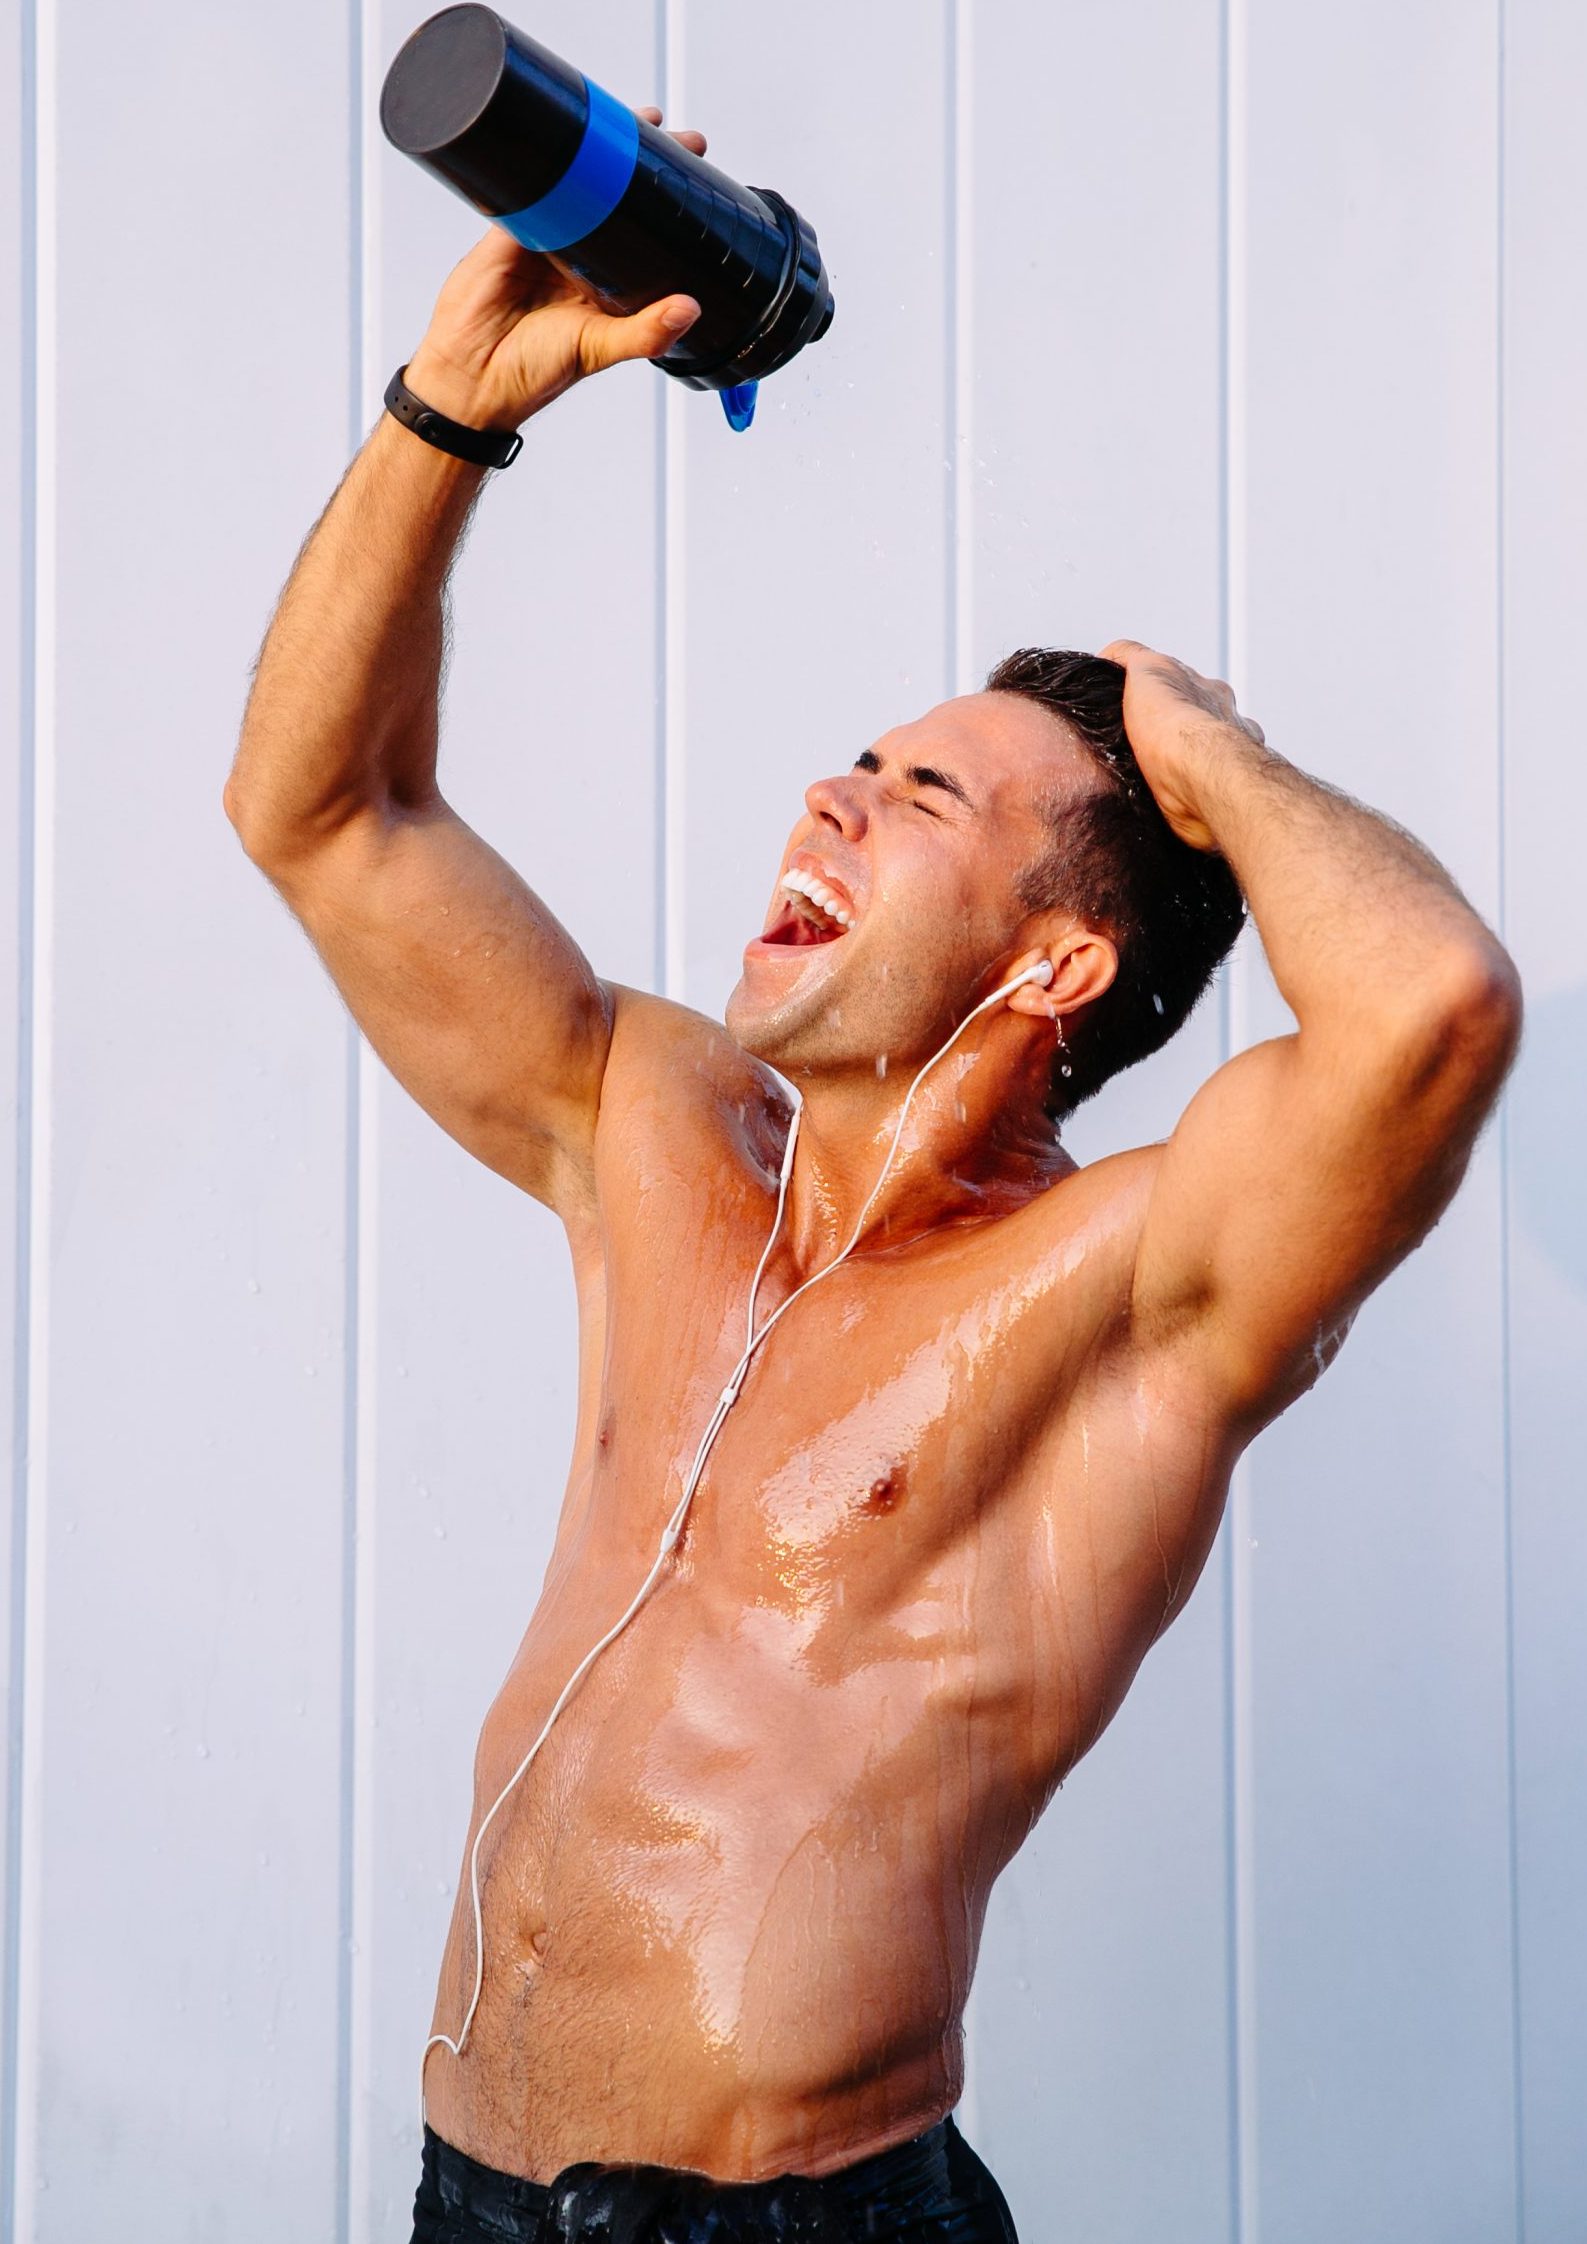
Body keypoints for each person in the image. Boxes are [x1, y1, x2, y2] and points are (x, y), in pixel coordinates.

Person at [225, 109, 1522, 2244]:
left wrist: (1188, 746)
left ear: (1055, 963)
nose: (833, 787)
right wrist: (450, 410)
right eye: (858, 751)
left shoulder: (1129, 1292)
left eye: (919, 792)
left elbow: (1433, 1008)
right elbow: (321, 812)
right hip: (470, 2194)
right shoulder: (651, 1132)